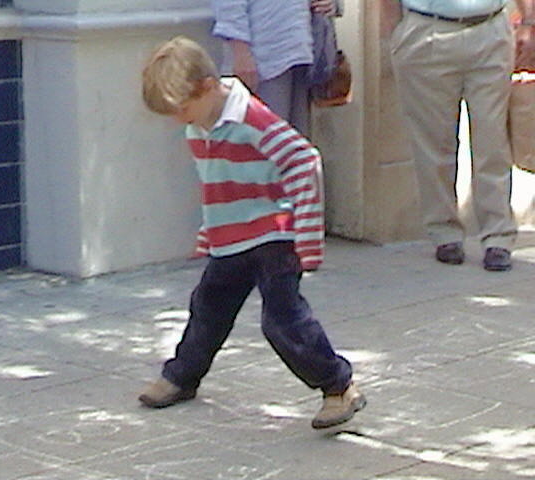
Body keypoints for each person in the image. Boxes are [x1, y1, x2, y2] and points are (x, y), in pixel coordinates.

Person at [139, 36, 366, 429]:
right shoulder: (201, 124)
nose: (180, 119)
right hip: (232, 239)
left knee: (282, 321)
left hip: (273, 236)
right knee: (207, 308)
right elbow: (216, 181)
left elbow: (303, 161)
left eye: (183, 109)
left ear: (208, 88)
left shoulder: (252, 120)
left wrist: (307, 240)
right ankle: (182, 376)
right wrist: (210, 232)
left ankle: (338, 386)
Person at [385, 0, 535, 271]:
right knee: (433, 143)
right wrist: (395, 34)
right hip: (427, 29)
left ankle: (497, 235)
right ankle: (444, 232)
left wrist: (528, 22)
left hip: (489, 27)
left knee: (492, 140)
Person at [210, 0, 344, 138]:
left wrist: (333, 4)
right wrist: (241, 53)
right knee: (264, 143)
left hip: (302, 53)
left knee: (296, 145)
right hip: (262, 59)